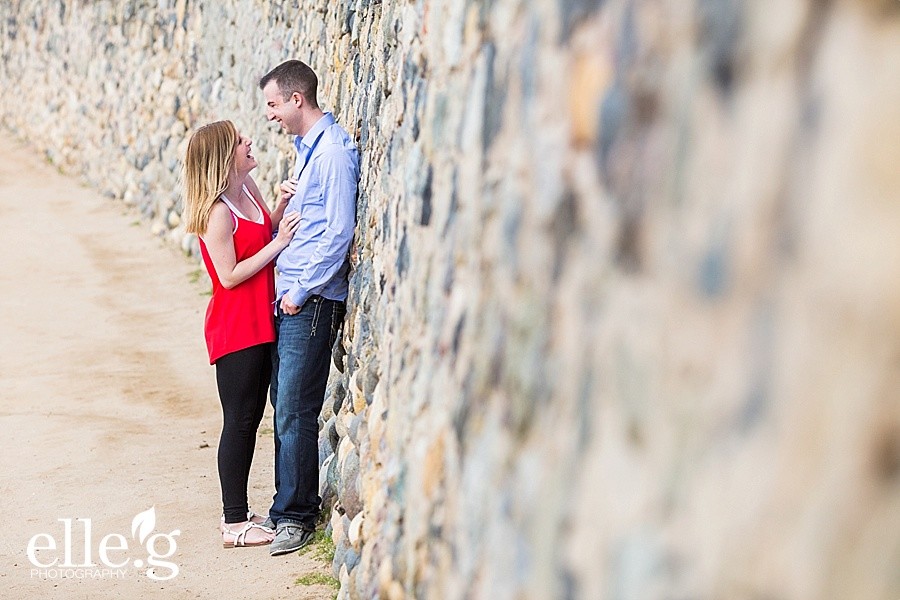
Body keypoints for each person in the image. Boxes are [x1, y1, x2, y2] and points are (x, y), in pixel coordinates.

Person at [257, 59, 360, 556]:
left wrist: (299, 292)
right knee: (285, 410)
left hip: (309, 300)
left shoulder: (334, 153)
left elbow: (339, 232)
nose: (271, 115)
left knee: (296, 410)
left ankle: (295, 516)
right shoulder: (306, 151)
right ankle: (286, 508)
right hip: (288, 297)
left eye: (274, 104)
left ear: (298, 99)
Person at [183, 120, 301, 548]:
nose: (249, 142)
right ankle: (233, 522)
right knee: (240, 421)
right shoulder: (216, 213)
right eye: (239, 141)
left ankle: (241, 514)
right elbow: (229, 276)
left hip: (260, 322)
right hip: (235, 329)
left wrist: (281, 210)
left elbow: (261, 232)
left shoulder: (248, 189)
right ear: (223, 157)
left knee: (253, 419)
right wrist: (279, 244)